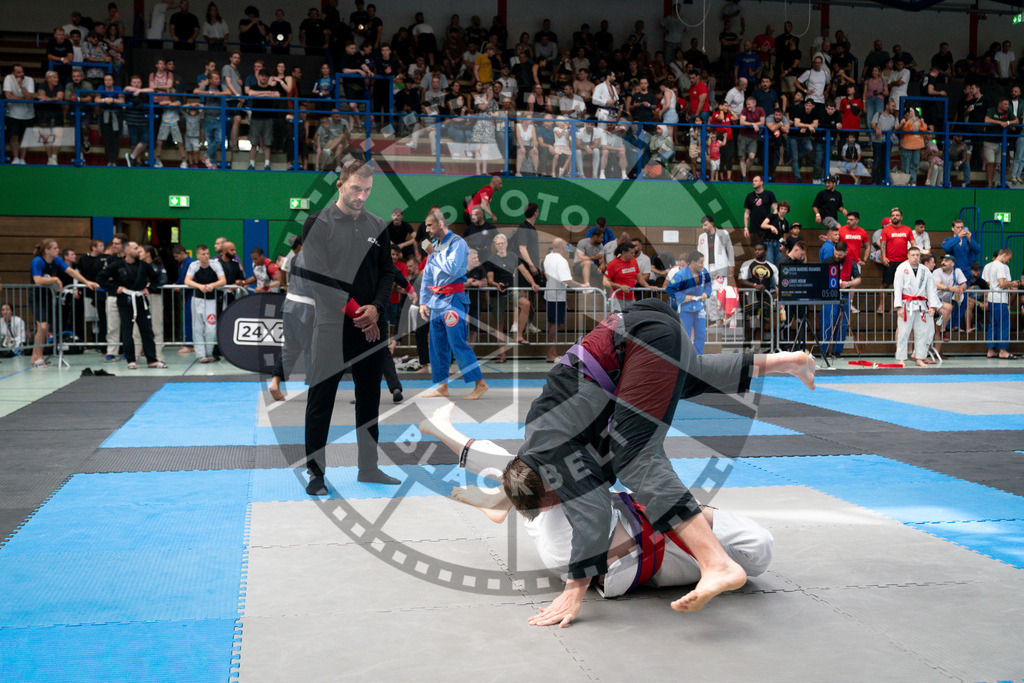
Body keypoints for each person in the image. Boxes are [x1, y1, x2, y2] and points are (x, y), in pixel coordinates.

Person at [478, 298, 816, 626]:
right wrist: (503, 500)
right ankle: (787, 362)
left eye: (555, 500)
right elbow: (534, 479)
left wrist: (574, 588)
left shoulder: (552, 453)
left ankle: (716, 563)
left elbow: (593, 512)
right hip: (646, 328)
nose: (562, 503)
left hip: (642, 337)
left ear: (548, 481)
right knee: (688, 376)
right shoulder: (544, 445)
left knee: (636, 457)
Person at [424, 403, 775, 600]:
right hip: (626, 545)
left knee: (520, 471)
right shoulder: (569, 524)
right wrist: (688, 512)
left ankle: (501, 501)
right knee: (527, 472)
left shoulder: (559, 522)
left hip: (624, 548)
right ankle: (501, 503)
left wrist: (689, 515)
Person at [299, 162, 399, 494]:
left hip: (372, 325)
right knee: (321, 397)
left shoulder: (378, 224)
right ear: (340, 184)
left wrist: (377, 309)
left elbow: (388, 273)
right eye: (356, 188)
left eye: (368, 190)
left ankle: (368, 467)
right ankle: (315, 472)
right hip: (333, 324)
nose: (362, 196)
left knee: (369, 398)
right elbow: (319, 277)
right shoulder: (318, 223)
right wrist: (359, 312)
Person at [417, 208, 488, 401]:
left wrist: (434, 253)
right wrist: (424, 301)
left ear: (440, 224)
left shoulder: (458, 244)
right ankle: (442, 386)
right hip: (436, 301)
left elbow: (452, 269)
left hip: (453, 300)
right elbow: (428, 275)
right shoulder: (435, 245)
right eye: (425, 226)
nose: (427, 229)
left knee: (457, 342)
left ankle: (480, 383)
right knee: (436, 344)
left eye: (429, 225)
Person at [29, 239, 98, 368]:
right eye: (54, 248)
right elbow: (37, 279)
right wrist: (55, 279)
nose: (58, 250)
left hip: (49, 297)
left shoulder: (56, 261)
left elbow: (71, 272)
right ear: (47, 250)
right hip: (37, 297)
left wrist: (86, 282)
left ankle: (36, 356)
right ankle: (38, 357)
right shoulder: (37, 261)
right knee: (42, 327)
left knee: (45, 328)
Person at [99, 241, 166, 370]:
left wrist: (149, 289)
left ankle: (152, 360)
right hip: (125, 300)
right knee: (127, 331)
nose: (138, 251)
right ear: (127, 251)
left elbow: (156, 278)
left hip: (140, 299)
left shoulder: (144, 266)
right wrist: (114, 289)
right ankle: (131, 360)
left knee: (147, 330)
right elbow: (101, 278)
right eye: (136, 248)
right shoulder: (117, 266)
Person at [893, 246, 940, 368]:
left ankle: (919, 358)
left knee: (921, 333)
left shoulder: (925, 270)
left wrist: (932, 306)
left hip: (920, 305)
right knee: (903, 333)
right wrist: (898, 307)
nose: (915, 257)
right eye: (913, 255)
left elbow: (931, 289)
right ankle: (901, 358)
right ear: (908, 256)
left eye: (917, 255)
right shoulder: (901, 268)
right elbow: (897, 288)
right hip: (906, 305)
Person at [542, 239, 582, 362]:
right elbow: (566, 280)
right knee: (554, 325)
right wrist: (581, 286)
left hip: (550, 294)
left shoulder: (548, 257)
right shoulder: (561, 260)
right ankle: (550, 354)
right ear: (562, 248)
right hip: (557, 296)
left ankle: (552, 352)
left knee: (554, 324)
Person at [183, 244, 225, 362]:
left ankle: (209, 352)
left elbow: (223, 280)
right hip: (197, 299)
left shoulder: (215, 264)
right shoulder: (194, 265)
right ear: (198, 256)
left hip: (211, 300)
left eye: (207, 254)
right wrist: (199, 286)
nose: (206, 256)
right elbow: (187, 280)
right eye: (203, 254)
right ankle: (201, 355)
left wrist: (212, 285)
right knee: (197, 327)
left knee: (211, 327)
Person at [666, 251, 712, 354]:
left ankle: (698, 356)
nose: (702, 265)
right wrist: (683, 297)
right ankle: (685, 358)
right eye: (700, 262)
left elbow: (709, 284)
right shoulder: (681, 274)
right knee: (685, 335)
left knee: (701, 334)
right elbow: (669, 289)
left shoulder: (704, 272)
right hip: (685, 308)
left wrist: (706, 293)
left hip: (699, 306)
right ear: (692, 262)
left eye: (703, 262)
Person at [820, 241, 861, 357]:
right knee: (827, 323)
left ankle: (837, 351)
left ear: (845, 253)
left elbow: (858, 279)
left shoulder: (851, 262)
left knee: (842, 324)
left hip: (844, 296)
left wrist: (848, 283)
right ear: (834, 250)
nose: (837, 256)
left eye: (840, 255)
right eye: (836, 254)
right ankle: (825, 350)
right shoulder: (827, 261)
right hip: (829, 296)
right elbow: (821, 278)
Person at [696, 215, 735, 327]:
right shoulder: (701, 237)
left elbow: (730, 250)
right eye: (702, 225)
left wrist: (731, 265)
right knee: (709, 294)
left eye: (706, 225)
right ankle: (716, 319)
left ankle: (722, 318)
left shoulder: (723, 234)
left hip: (721, 268)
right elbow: (699, 253)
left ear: (712, 224)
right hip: (707, 268)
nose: (703, 227)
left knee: (720, 293)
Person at [738, 243, 779, 350]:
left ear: (765, 251)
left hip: (765, 299)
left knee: (761, 325)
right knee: (749, 325)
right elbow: (741, 280)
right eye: (755, 249)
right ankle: (746, 345)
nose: (757, 251)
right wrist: (755, 285)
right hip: (750, 298)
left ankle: (756, 350)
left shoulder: (772, 267)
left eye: (759, 250)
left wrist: (780, 299)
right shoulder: (747, 264)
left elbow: (778, 283)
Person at [981, 249, 1018, 359]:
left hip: (992, 299)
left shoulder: (990, 266)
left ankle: (991, 349)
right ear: (1005, 255)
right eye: (1009, 259)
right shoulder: (1001, 266)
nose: (1008, 261)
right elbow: (1002, 283)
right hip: (1000, 299)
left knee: (993, 324)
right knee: (1003, 325)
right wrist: (1012, 283)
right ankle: (1002, 350)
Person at [878, 208, 914, 314]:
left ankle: (896, 306)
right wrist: (884, 257)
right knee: (885, 283)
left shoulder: (907, 230)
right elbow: (883, 245)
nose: (895, 217)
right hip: (889, 261)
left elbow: (913, 244)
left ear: (901, 217)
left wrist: (914, 256)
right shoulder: (886, 230)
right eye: (893, 215)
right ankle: (881, 306)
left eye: (897, 215)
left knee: (900, 284)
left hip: (903, 262)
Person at [3, 65, 36, 165]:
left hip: (28, 114)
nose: (21, 74)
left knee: (25, 137)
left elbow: (29, 97)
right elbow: (8, 96)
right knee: (14, 136)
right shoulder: (8, 78)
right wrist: (24, 99)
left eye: (22, 72)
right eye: (18, 72)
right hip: (13, 114)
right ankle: (16, 158)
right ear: (13, 73)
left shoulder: (29, 80)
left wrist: (21, 85)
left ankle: (22, 159)